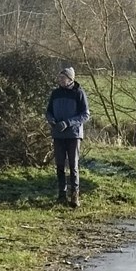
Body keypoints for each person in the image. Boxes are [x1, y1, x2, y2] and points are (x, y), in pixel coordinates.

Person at [46, 65, 91, 206]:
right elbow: (48, 111)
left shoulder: (79, 93)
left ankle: (75, 195)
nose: (60, 79)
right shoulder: (55, 93)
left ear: (70, 79)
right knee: (59, 165)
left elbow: (85, 115)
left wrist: (68, 123)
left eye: (62, 77)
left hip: (73, 134)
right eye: (59, 77)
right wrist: (51, 120)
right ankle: (61, 194)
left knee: (73, 165)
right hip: (58, 135)